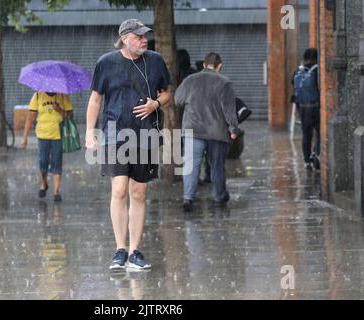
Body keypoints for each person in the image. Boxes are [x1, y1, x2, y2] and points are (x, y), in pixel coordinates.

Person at [85, 18, 171, 270]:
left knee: (139, 192)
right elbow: (95, 100)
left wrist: (156, 103)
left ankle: (135, 251)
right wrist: (90, 132)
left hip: (145, 135)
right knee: (120, 189)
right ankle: (119, 249)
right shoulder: (106, 63)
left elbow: (166, 92)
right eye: (139, 36)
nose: (145, 39)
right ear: (125, 39)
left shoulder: (155, 60)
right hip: (115, 135)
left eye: (146, 35)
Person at [175, 52, 241, 213]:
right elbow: (229, 110)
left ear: (204, 65)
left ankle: (188, 198)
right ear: (220, 66)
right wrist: (233, 129)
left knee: (191, 165)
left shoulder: (190, 80)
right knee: (217, 166)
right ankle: (219, 197)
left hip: (192, 130)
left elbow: (177, 100)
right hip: (216, 132)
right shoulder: (225, 83)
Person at [21, 91, 74, 202]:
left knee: (57, 162)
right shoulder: (38, 95)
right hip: (42, 135)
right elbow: (30, 117)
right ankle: (44, 184)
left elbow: (70, 115)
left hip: (58, 135)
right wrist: (24, 138)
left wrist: (59, 109)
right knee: (43, 162)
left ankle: (56, 191)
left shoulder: (63, 95)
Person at [292, 48, 320, 170]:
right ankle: (315, 153)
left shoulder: (298, 70)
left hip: (302, 108)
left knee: (306, 135)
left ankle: (306, 161)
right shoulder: (317, 70)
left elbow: (293, 84)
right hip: (315, 108)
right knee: (321, 133)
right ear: (315, 57)